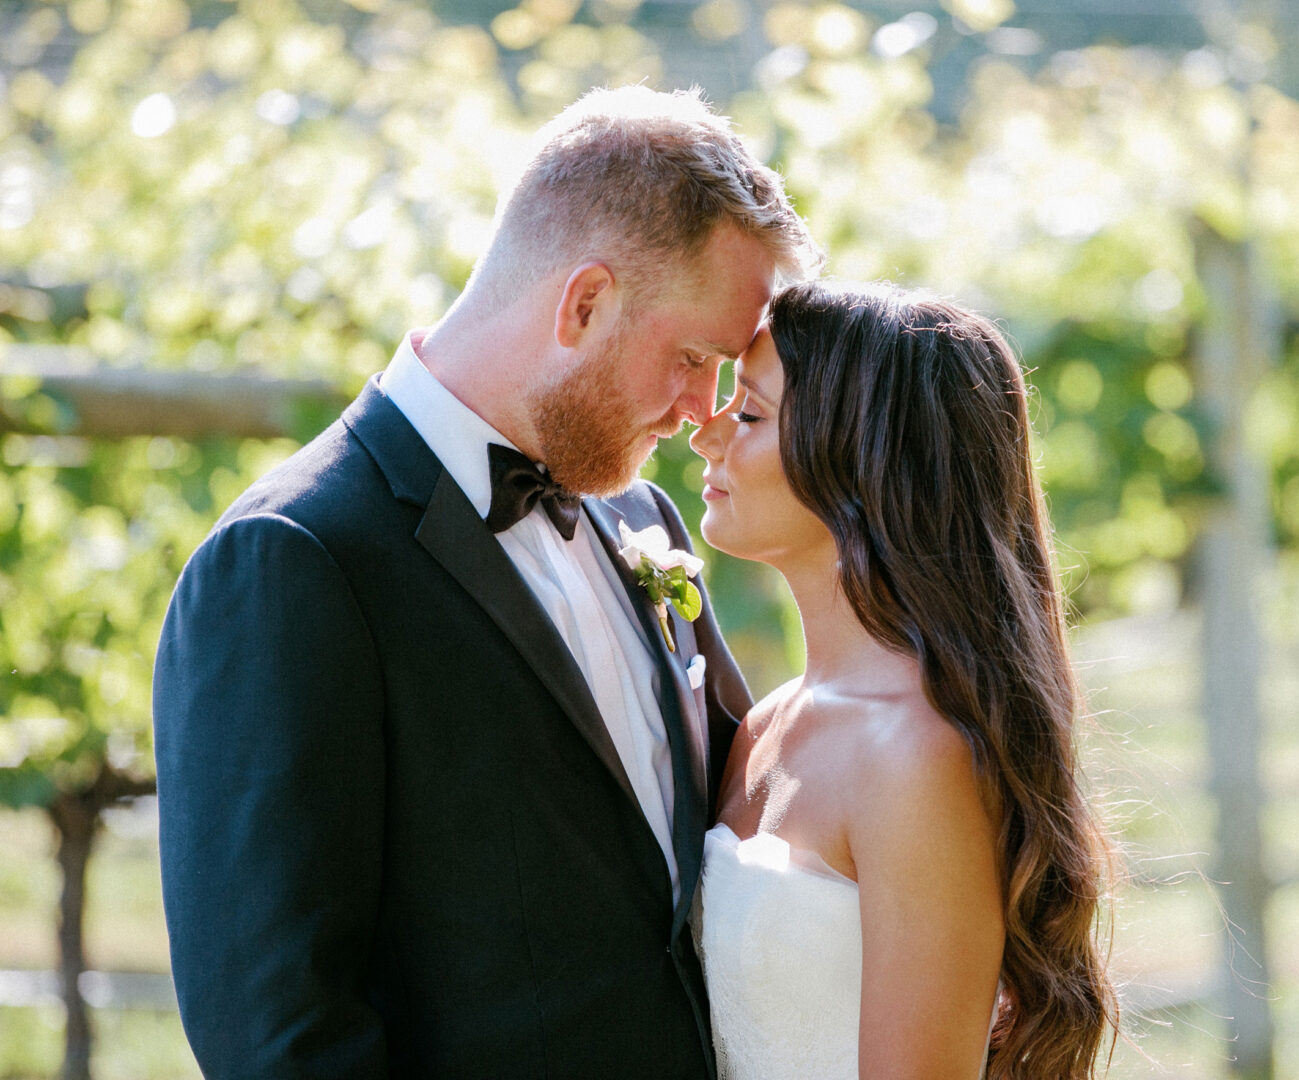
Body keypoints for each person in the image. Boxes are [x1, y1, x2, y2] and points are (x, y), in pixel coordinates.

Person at [152, 86, 816, 1078]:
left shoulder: (645, 522)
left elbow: (745, 823)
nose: (701, 411)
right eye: (692, 358)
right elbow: (278, 1033)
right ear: (583, 302)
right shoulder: (292, 562)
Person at [689, 281, 1119, 1080]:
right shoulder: (765, 724)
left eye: (748, 414)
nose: (705, 436)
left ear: (858, 461)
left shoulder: (915, 757)